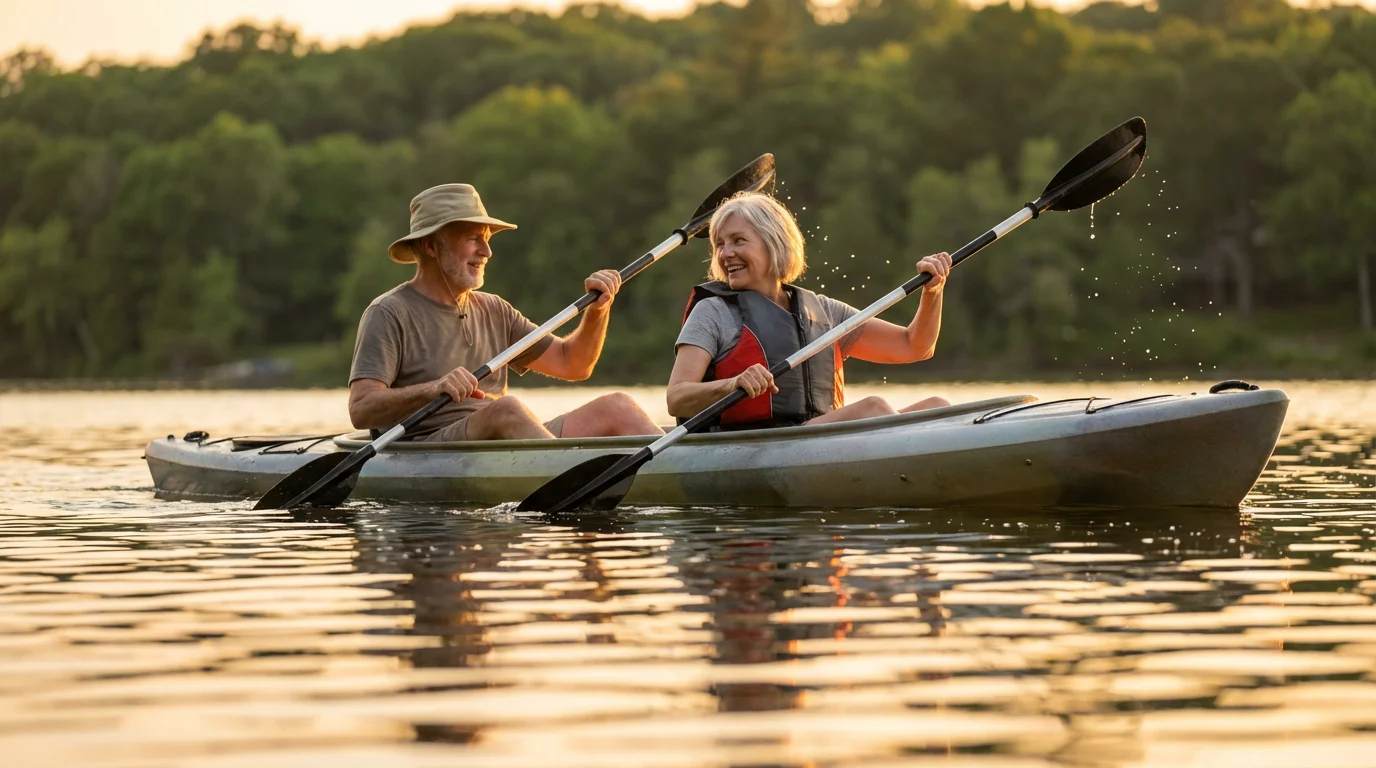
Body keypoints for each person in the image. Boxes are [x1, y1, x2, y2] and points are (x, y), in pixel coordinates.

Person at [348, 183, 663, 442]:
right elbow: (361, 409)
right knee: (507, 409)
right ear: (431, 246)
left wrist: (598, 311)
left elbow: (573, 363)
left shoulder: (494, 309)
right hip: (427, 449)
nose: (486, 252)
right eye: (474, 239)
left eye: (486, 239)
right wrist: (435, 388)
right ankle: (569, 475)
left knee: (617, 406)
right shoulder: (388, 312)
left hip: (503, 441)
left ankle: (670, 475)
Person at [667, 191, 951, 430]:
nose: (725, 253)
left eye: (738, 241)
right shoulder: (713, 312)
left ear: (774, 242)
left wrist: (933, 291)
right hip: (757, 446)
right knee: (873, 408)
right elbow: (677, 398)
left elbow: (913, 347)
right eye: (719, 244)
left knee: (938, 408)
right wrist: (733, 385)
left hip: (816, 441)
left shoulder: (824, 311)